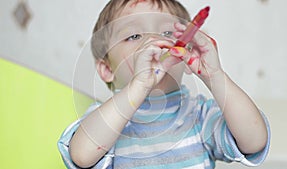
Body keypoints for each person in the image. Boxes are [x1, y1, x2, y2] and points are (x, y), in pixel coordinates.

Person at [58, 0, 270, 168]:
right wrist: (138, 86)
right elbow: (81, 156)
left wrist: (215, 75)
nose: (154, 40)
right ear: (107, 69)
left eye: (168, 33)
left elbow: (254, 141)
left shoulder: (198, 115)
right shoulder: (106, 120)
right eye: (134, 36)